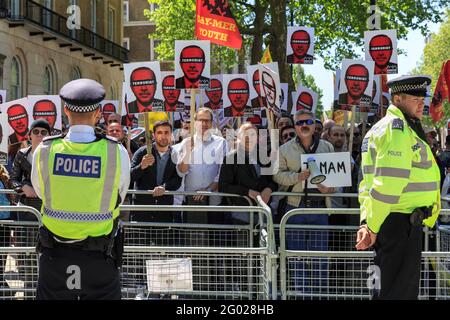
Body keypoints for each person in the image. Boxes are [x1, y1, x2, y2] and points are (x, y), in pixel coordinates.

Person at [31, 78, 130, 300]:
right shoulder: (116, 151)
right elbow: (120, 196)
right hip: (100, 260)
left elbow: (40, 191)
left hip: (54, 257)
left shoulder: (45, 149)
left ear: (66, 111)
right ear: (98, 113)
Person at [356, 75, 441, 300]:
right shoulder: (398, 130)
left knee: (386, 290)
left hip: (392, 223)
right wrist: (371, 226)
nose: (421, 103)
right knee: (398, 293)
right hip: (398, 225)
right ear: (397, 98)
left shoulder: (393, 128)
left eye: (423, 98)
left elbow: (367, 183)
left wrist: (368, 222)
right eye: (415, 98)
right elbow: (388, 184)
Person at [273, 109, 335, 293]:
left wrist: (330, 188)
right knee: (296, 257)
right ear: (295, 126)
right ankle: (300, 293)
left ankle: (319, 295)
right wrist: (297, 177)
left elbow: (336, 176)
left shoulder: (327, 147)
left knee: (320, 258)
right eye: (299, 123)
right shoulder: (284, 150)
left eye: (307, 122)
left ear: (315, 124)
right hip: (294, 208)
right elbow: (277, 176)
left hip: (320, 209)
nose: (304, 126)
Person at [176, 108, 228, 225]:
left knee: (215, 239)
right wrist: (187, 152)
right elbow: (181, 172)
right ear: (194, 123)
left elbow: (223, 173)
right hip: (190, 201)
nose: (204, 124)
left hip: (213, 202)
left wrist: (207, 191)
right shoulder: (186, 143)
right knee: (192, 240)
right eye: (200, 120)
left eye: (207, 120)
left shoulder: (221, 143)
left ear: (212, 123)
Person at [219, 122, 277, 223]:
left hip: (263, 210)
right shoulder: (230, 158)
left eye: (252, 134)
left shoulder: (264, 155)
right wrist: (247, 192)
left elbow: (273, 181)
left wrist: (269, 189)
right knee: (244, 238)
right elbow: (223, 186)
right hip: (241, 211)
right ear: (238, 136)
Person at [130, 121, 182, 222]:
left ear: (171, 135)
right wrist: (142, 166)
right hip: (142, 210)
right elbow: (130, 176)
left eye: (166, 132)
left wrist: (164, 187)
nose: (163, 136)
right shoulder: (142, 152)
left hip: (164, 211)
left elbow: (177, 180)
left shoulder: (175, 155)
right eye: (159, 133)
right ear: (153, 135)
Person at [10, 119, 51, 219]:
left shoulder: (54, 154)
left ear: (49, 136)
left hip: (48, 207)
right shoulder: (21, 154)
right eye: (36, 131)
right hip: (26, 206)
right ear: (29, 135)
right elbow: (13, 179)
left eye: (44, 132)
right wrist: (23, 187)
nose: (39, 135)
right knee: (25, 234)